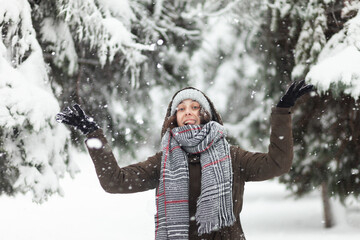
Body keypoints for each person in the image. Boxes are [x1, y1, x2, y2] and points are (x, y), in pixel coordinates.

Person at [56, 81, 313, 240]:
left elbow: (277, 164)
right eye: (181, 108)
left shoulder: (232, 156)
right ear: (174, 118)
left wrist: (282, 113)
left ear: (205, 114)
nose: (188, 112)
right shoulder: (163, 161)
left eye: (194, 107)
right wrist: (93, 134)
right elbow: (115, 181)